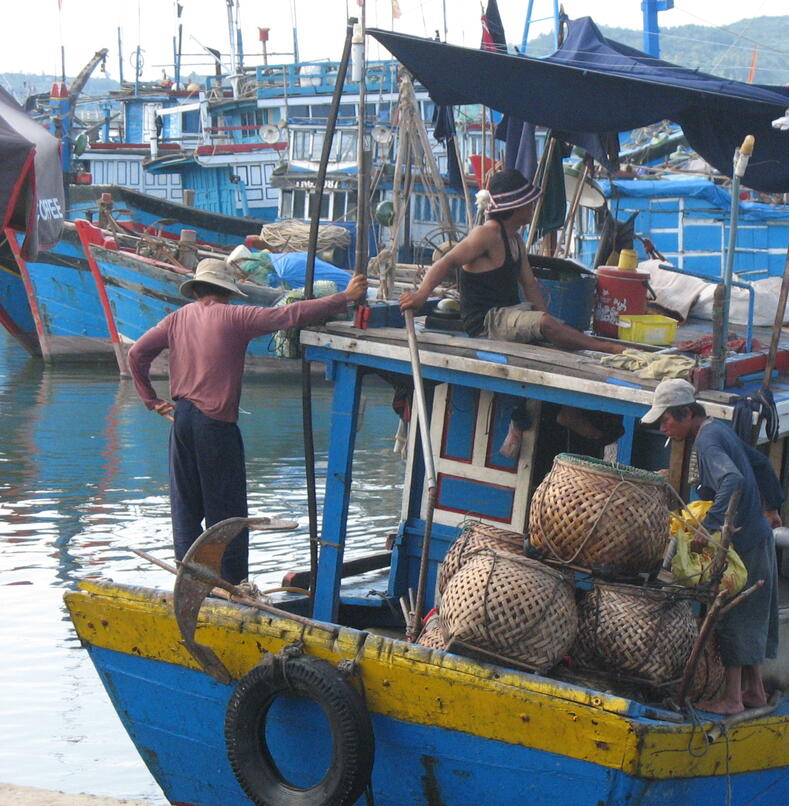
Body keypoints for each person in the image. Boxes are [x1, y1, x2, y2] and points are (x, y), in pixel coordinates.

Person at [128, 259, 367, 584]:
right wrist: (344, 298)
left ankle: (189, 580)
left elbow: (136, 354)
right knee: (227, 513)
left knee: (185, 506)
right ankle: (232, 585)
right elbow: (289, 315)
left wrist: (151, 399)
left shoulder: (176, 318)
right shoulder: (236, 317)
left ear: (196, 291)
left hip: (181, 420)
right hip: (215, 425)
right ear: (227, 291)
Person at [644, 378, 784, 715]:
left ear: (686, 413)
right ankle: (755, 691)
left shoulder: (707, 440)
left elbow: (733, 479)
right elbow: (760, 464)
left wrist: (710, 527)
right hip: (756, 535)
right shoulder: (718, 429)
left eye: (666, 420)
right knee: (751, 612)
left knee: (731, 613)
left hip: (743, 542)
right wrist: (772, 505)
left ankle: (732, 698)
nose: (663, 429)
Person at [399, 168, 624, 354]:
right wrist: (421, 295)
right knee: (545, 323)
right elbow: (445, 262)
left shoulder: (515, 240)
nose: (532, 207)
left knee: (553, 323)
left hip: (511, 312)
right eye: (529, 203)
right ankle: (606, 348)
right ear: (515, 206)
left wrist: (548, 320)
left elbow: (530, 285)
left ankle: (590, 343)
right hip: (487, 321)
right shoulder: (487, 234)